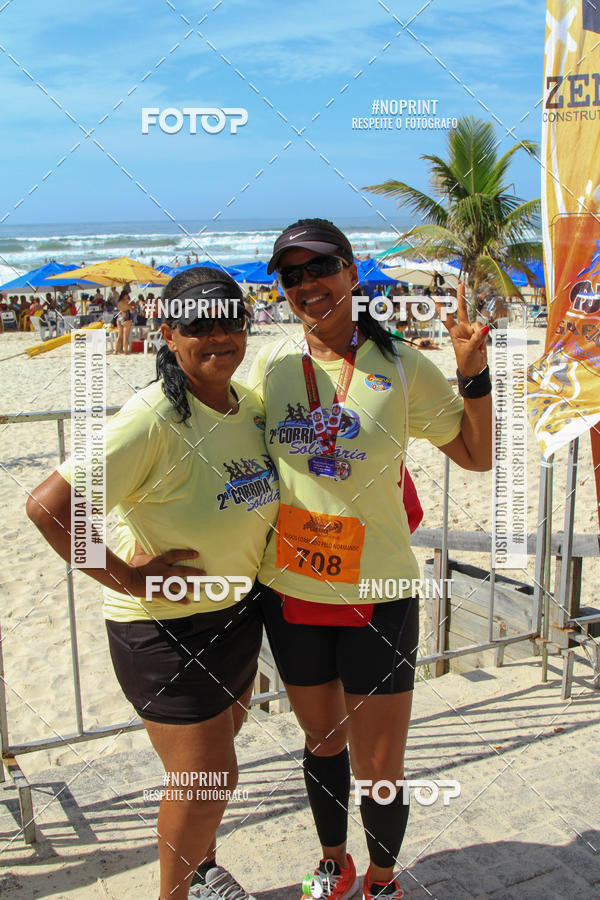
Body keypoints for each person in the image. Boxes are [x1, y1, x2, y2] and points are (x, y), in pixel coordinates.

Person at [248, 219, 492, 899]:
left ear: (352, 273)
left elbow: (477, 456)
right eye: (290, 276)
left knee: (381, 764)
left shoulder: (404, 366)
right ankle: (334, 863)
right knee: (322, 742)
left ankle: (383, 880)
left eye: (319, 267)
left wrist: (475, 375)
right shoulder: (267, 366)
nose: (306, 285)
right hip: (290, 590)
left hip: (378, 588)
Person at [26, 267, 280, 900]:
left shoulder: (247, 406)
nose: (217, 338)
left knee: (204, 774)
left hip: (235, 620)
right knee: (208, 779)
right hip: (162, 630)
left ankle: (202, 876)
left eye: (229, 322)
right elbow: (48, 505)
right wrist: (128, 573)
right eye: (198, 326)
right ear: (167, 334)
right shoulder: (154, 417)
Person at [113, 286, 136, 354]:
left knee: (119, 336)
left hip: (119, 317)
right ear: (125, 295)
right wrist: (134, 306)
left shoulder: (118, 302)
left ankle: (116, 351)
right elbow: (132, 311)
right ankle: (125, 351)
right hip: (126, 318)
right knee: (125, 336)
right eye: (127, 295)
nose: (128, 296)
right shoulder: (126, 302)